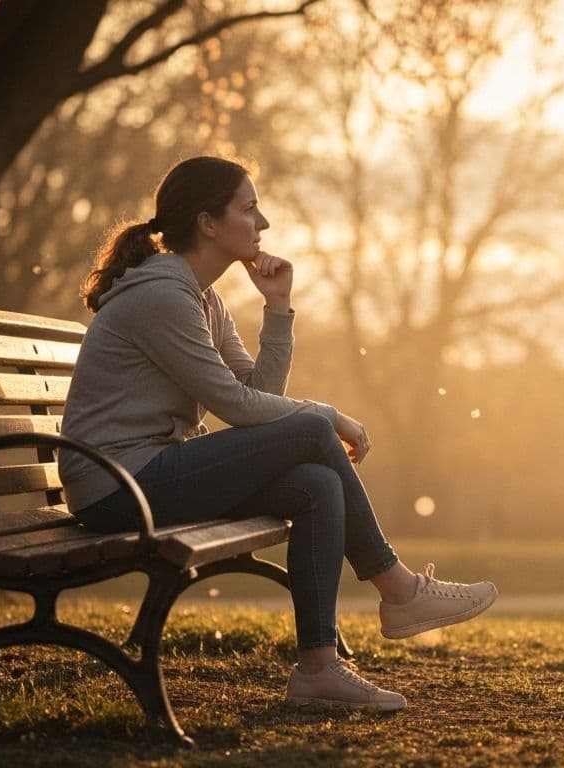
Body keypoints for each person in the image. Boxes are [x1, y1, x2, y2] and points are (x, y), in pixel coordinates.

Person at [56, 155, 497, 712]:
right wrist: (328, 414)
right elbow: (239, 408)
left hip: (148, 474)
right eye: (249, 208)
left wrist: (279, 308)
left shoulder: (201, 298)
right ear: (208, 223)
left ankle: (318, 670)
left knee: (316, 483)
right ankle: (398, 589)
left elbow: (254, 387)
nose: (262, 224)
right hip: (117, 488)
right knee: (311, 429)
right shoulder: (162, 297)